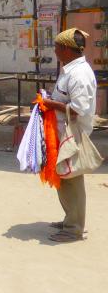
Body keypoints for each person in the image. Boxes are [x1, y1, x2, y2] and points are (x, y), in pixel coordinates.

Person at [40, 28, 97, 242]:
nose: (54, 51)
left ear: (66, 48)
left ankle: (74, 229)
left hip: (73, 133)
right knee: (64, 178)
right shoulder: (70, 70)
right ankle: (70, 219)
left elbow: (78, 108)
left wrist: (49, 103)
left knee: (72, 179)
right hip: (63, 131)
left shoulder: (79, 74)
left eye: (56, 47)